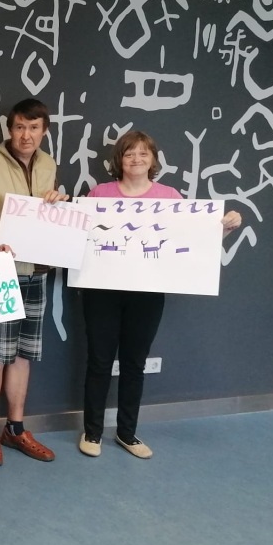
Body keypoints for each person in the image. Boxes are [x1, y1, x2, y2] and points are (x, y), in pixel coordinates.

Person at [79, 130, 242, 459]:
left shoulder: (169, 197)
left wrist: (223, 228)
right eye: (129, 153)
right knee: (99, 361)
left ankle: (126, 433)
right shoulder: (99, 193)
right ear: (119, 160)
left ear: (153, 159)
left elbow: (193, 243)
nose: (136, 159)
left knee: (134, 364)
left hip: (147, 293)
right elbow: (79, 238)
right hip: (101, 291)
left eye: (143, 153)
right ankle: (92, 431)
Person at [0, 98, 68, 466]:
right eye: (20, 127)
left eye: (34, 128)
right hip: (0, 272)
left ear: (44, 131)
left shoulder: (49, 165)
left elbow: (54, 217)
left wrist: (60, 202)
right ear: (10, 129)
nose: (26, 135)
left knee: (24, 354)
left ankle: (16, 427)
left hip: (36, 271)